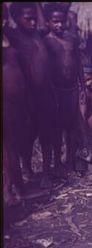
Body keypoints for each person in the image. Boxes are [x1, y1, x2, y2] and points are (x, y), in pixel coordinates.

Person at [8, 3, 57, 188]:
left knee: (47, 133)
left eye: (34, 18)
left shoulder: (39, 34)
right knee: (26, 136)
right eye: (27, 18)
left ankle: (46, 172)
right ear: (17, 19)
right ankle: (27, 170)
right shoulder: (14, 38)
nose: (33, 22)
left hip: (45, 94)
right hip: (28, 96)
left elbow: (42, 20)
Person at [43, 3, 85, 175]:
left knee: (72, 127)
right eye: (55, 22)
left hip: (72, 90)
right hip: (56, 91)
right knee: (56, 129)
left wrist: (82, 86)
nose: (59, 25)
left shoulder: (71, 39)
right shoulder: (46, 41)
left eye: (61, 21)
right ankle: (57, 164)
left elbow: (78, 62)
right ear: (48, 23)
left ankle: (70, 161)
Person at [2, 3, 29, 205]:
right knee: (6, 148)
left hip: (16, 102)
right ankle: (7, 190)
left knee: (14, 144)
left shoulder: (8, 36)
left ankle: (18, 186)